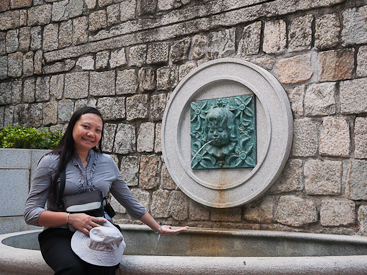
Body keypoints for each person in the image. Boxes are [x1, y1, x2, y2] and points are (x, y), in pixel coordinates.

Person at [24, 106, 188, 275]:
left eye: (98, 130)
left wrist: (158, 228)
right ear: (72, 126)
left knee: (103, 268)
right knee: (71, 269)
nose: (91, 134)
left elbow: (129, 202)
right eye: (86, 127)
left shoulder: (107, 162)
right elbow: (31, 213)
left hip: (101, 232)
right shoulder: (50, 162)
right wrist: (70, 218)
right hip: (59, 233)